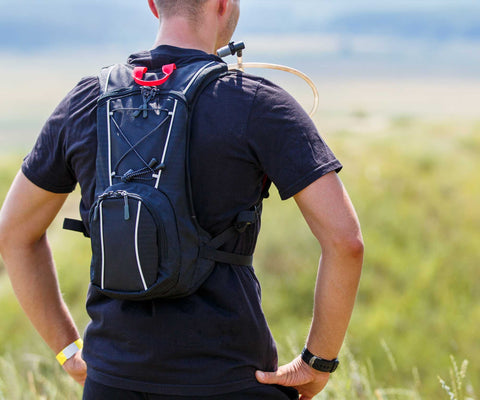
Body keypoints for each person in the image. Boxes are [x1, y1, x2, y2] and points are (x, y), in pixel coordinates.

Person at [0, 0, 364, 399]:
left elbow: (13, 234)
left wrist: (69, 351)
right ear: (223, 4)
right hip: (231, 380)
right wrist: (318, 362)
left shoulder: (87, 101)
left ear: (154, 5)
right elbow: (345, 241)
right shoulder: (257, 103)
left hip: (111, 381)